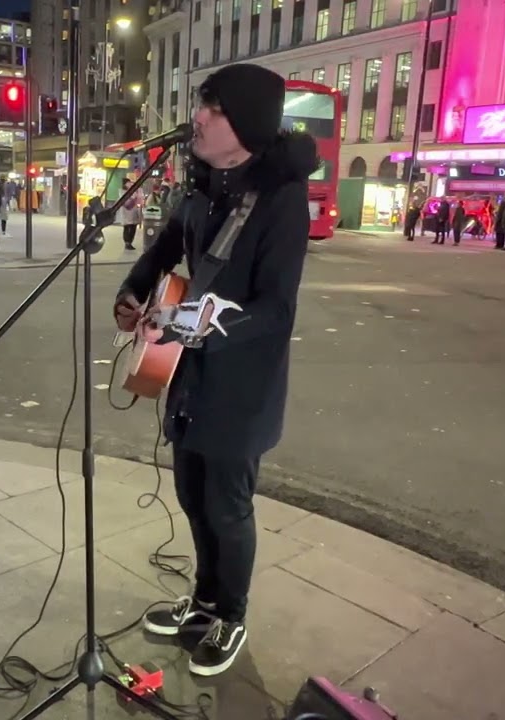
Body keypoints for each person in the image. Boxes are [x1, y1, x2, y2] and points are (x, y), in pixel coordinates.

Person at [114, 62, 315, 677]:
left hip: (241, 387)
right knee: (191, 497)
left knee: (228, 508)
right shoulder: (202, 183)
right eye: (202, 104)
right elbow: (167, 245)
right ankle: (202, 602)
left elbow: (276, 310)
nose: (198, 116)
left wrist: (199, 326)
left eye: (214, 108)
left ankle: (231, 612)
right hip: (187, 376)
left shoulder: (281, 198)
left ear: (247, 122)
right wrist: (135, 289)